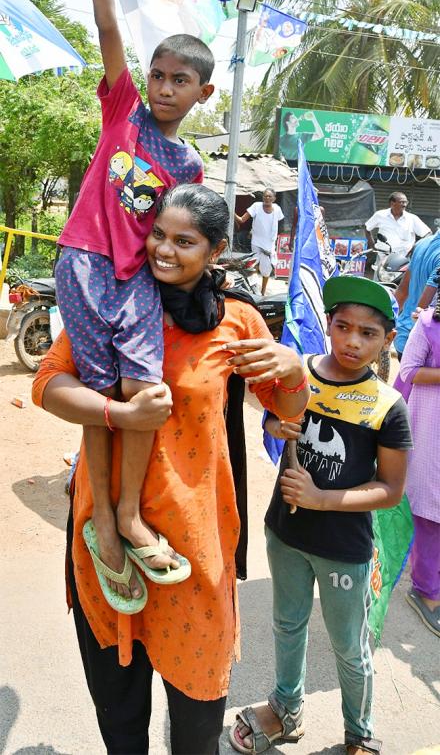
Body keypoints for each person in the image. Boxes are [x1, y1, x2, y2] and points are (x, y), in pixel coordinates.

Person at [32, 184, 310, 755]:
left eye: (185, 241)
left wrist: (292, 368)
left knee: (196, 726)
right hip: (103, 534)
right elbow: (49, 384)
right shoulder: (111, 301)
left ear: (215, 252)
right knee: (120, 719)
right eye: (158, 234)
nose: (164, 249)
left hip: (192, 547)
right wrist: (118, 410)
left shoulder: (237, 321)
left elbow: (286, 409)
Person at [55, 0, 216, 591]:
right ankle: (101, 516)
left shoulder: (189, 164)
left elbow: (185, 241)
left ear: (203, 92)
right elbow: (107, 25)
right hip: (86, 262)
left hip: (136, 279)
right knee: (99, 398)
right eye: (157, 74)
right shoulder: (123, 110)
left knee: (144, 393)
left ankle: (127, 513)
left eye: (179, 79)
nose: (163, 85)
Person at [230, 275, 412, 755]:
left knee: (349, 647)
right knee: (287, 625)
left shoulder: (387, 406)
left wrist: (324, 499)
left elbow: (391, 490)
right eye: (343, 326)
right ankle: (286, 709)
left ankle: (359, 732)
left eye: (368, 333)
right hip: (285, 532)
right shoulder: (300, 373)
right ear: (327, 325)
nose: (353, 341)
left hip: (343, 548)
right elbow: (270, 415)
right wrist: (275, 421)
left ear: (387, 340)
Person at [395, 286, 440, 638]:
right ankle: (425, 592)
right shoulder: (427, 324)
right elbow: (409, 371)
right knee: (429, 510)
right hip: (429, 427)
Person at [394, 229, 440, 358]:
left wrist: (386, 324)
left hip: (403, 337)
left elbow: (402, 291)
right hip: (424, 346)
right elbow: (422, 308)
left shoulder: (422, 243)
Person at [235, 189, 284, 295]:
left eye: (270, 196)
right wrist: (231, 210)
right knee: (253, 266)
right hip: (256, 242)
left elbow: (278, 223)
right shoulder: (256, 206)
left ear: (274, 198)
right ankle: (254, 289)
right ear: (263, 197)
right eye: (265, 196)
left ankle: (262, 291)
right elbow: (241, 220)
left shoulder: (277, 209)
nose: (267, 198)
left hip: (269, 244)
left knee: (266, 270)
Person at [365, 192, 430, 257]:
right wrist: (372, 245)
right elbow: (367, 228)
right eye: (402, 202)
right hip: (383, 256)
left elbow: (428, 234)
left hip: (404, 258)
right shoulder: (380, 215)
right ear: (392, 203)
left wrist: (416, 247)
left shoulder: (412, 218)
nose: (404, 205)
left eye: (406, 202)